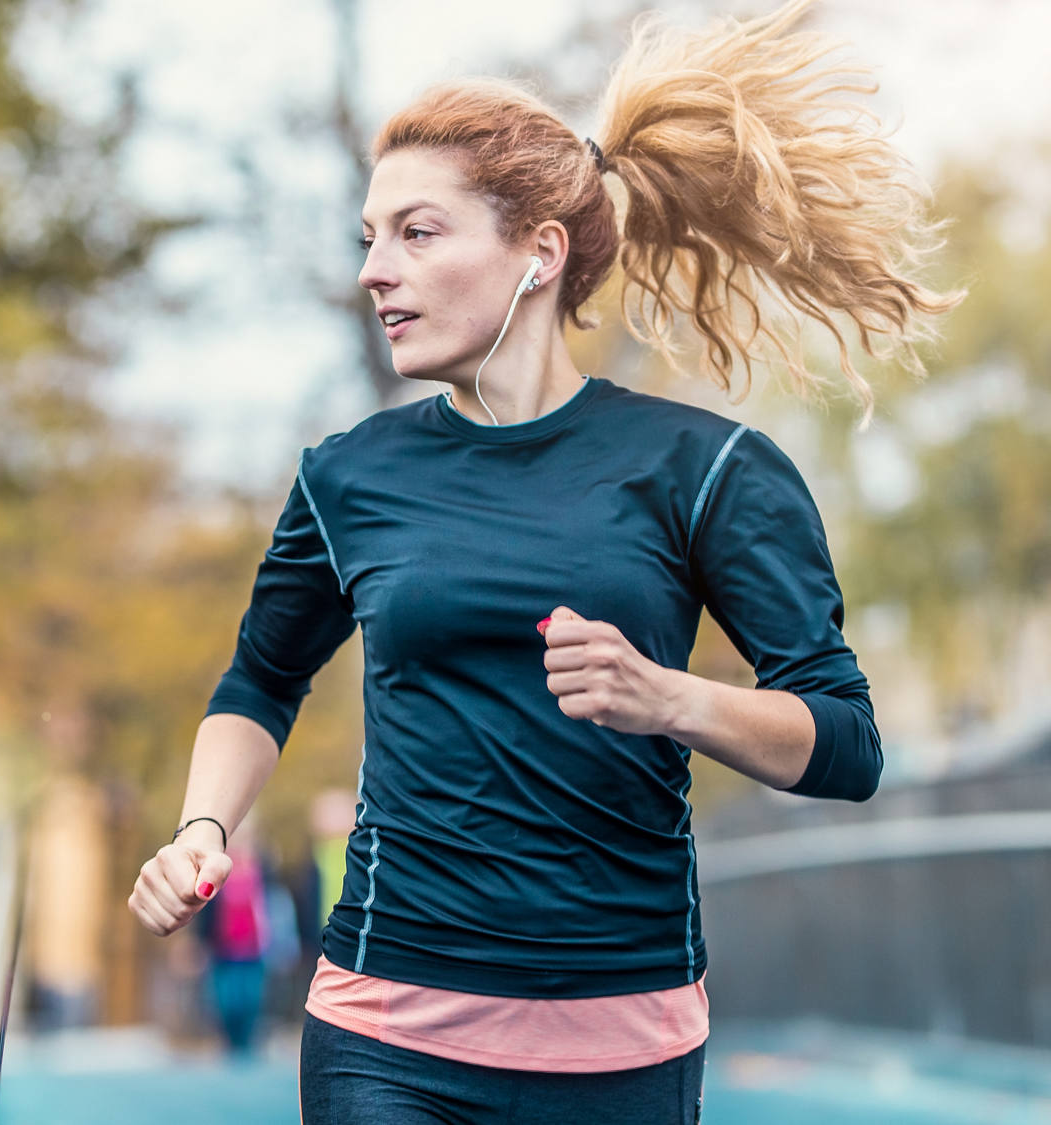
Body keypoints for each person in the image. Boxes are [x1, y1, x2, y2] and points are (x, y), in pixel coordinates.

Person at [127, 1, 963, 1121]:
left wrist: (669, 698)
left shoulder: (704, 469)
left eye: (415, 234)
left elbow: (847, 745)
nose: (375, 270)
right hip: (384, 1032)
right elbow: (260, 685)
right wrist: (199, 831)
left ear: (538, 254)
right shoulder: (347, 477)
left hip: (622, 1046)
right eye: (367, 238)